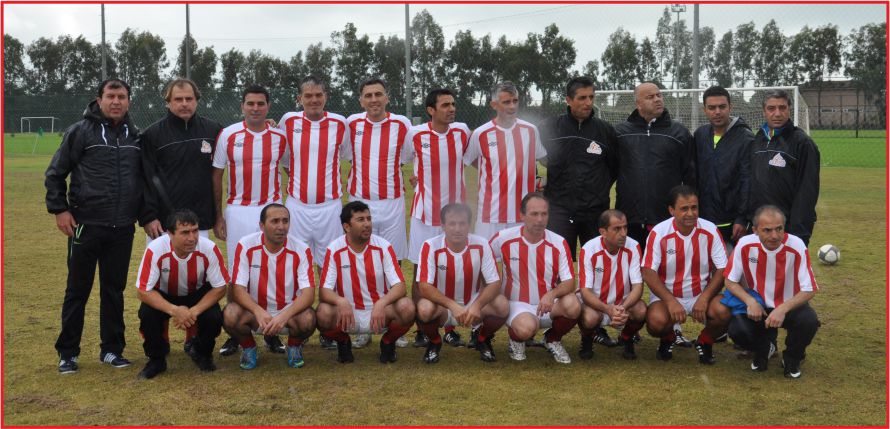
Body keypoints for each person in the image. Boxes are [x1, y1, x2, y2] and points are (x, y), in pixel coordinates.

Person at [46, 78, 147, 373]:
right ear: (99, 100)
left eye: (121, 96)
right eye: (110, 96)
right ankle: (67, 353)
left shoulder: (135, 136)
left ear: (129, 101)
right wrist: (60, 209)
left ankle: (112, 350)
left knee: (114, 290)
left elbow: (143, 180)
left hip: (122, 227)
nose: (116, 101)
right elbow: (55, 173)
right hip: (85, 225)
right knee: (77, 290)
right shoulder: (80, 132)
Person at [140, 77, 225, 355]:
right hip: (163, 224)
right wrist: (149, 216)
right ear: (168, 102)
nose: (184, 104)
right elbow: (145, 178)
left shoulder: (213, 130)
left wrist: (270, 125)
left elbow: (240, 142)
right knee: (160, 282)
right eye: (178, 99)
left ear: (197, 100)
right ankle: (160, 340)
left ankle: (193, 337)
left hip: (199, 222)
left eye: (189, 98)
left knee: (197, 282)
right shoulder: (152, 134)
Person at [539, 76, 620, 349]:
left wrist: (597, 191)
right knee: (557, 270)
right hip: (559, 210)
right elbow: (538, 156)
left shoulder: (605, 131)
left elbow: (614, 168)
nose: (588, 103)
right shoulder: (550, 127)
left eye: (591, 97)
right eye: (582, 98)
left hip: (594, 211)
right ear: (568, 100)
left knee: (596, 269)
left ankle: (593, 327)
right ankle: (552, 327)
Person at [615, 82, 697, 347]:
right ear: (638, 103)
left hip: (665, 222)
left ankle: (674, 328)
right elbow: (609, 170)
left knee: (668, 273)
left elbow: (689, 176)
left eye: (660, 95)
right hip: (630, 218)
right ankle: (627, 325)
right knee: (628, 275)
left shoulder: (679, 133)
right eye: (650, 96)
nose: (658, 99)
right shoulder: (621, 133)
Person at [211, 85, 289, 357]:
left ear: (268, 106)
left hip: (271, 210)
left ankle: (271, 332)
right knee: (237, 273)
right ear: (242, 106)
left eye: (260, 103)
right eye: (250, 103)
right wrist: (218, 215)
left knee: (272, 271)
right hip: (239, 211)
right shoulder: (228, 134)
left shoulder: (280, 136)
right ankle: (236, 332)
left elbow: (291, 167)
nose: (255, 108)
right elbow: (217, 174)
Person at [344, 78, 413, 349]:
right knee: (361, 261)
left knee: (392, 261)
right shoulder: (352, 124)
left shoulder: (402, 125)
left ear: (387, 97)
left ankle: (395, 324)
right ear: (361, 100)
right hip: (360, 202)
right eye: (368, 95)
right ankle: (363, 325)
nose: (374, 100)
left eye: (378, 94)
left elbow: (410, 156)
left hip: (392, 202)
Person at [404, 88, 472, 348]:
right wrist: (416, 179)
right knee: (420, 273)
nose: (451, 109)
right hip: (424, 216)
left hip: (456, 217)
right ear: (431, 110)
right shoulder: (415, 134)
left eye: (453, 104)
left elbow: (474, 159)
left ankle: (451, 327)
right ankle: (422, 329)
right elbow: (404, 160)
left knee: (454, 271)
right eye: (445, 105)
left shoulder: (462, 131)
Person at [723, 205, 820, 378]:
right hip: (759, 306)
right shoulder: (745, 244)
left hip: (788, 306)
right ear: (755, 230)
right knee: (737, 330)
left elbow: (810, 288)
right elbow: (730, 281)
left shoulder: (796, 245)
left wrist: (782, 309)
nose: (774, 235)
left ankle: (792, 357)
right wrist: (750, 301)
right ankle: (765, 347)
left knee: (809, 321)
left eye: (779, 229)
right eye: (767, 230)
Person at [316, 201, 416, 364]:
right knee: (323, 312)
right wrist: (341, 301)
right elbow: (324, 291)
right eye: (360, 220)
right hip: (348, 315)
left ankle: (388, 342)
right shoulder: (334, 249)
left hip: (380, 313)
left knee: (407, 307)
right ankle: (343, 342)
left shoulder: (383, 246)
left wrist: (381, 303)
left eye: (369, 219)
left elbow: (400, 286)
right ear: (347, 227)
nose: (367, 224)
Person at [134, 209, 228, 379]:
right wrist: (175, 310)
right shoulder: (155, 249)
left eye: (195, 231)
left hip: (197, 293)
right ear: (170, 234)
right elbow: (142, 290)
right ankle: (156, 360)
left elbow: (220, 287)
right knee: (147, 314)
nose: (192, 238)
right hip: (164, 294)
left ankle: (202, 352)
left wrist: (194, 311)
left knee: (213, 317)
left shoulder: (209, 248)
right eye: (185, 232)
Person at [222, 204, 317, 370]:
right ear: (262, 225)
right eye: (275, 221)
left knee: (308, 318)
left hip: (288, 312)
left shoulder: (301, 249)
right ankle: (249, 347)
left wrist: (284, 316)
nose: (281, 227)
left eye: (285, 221)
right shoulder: (246, 245)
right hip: (255, 312)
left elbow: (308, 294)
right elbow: (237, 289)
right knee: (230, 314)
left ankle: (294, 347)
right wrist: (257, 310)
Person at [641, 185, 727, 364]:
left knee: (724, 311)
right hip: (668, 295)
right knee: (656, 322)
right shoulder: (659, 232)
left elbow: (722, 269)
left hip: (701, 294)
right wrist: (670, 301)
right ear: (671, 210)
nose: (690, 213)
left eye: (694, 207)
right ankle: (669, 338)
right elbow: (648, 271)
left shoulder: (710, 230)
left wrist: (704, 298)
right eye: (684, 208)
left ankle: (705, 341)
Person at [490, 193, 578, 364]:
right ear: (522, 215)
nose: (539, 220)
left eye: (544, 214)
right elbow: (482, 260)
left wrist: (552, 294)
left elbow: (569, 282)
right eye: (534, 214)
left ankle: (552, 339)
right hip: (516, 304)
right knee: (526, 329)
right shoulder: (503, 238)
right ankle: (516, 340)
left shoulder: (559, 242)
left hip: (548, 304)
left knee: (573, 304)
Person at [415, 203, 508, 363]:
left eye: (462, 223)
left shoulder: (481, 244)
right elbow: (424, 286)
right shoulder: (430, 245)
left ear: (469, 225)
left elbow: (494, 282)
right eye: (452, 223)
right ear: (443, 225)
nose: (457, 229)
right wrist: (452, 305)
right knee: (424, 309)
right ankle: (435, 342)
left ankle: (482, 339)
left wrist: (477, 305)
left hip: (473, 304)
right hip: (443, 306)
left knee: (502, 304)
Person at [464, 82, 546, 240]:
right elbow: (466, 161)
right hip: (490, 215)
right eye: (506, 102)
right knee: (487, 255)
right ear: (494, 105)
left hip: (523, 214)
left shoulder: (530, 130)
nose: (512, 106)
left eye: (515, 101)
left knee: (519, 256)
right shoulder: (481, 133)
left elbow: (544, 159)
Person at [748, 89, 820, 246]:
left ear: (789, 110)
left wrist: (799, 233)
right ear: (764, 111)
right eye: (771, 108)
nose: (777, 113)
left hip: (786, 229)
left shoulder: (802, 143)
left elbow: (807, 192)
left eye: (782, 108)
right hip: (759, 227)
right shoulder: (757, 140)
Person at [576, 210, 646, 361]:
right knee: (589, 318)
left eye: (625, 227)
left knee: (640, 310)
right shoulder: (589, 249)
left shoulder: (633, 246)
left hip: (623, 303)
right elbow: (585, 291)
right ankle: (587, 338)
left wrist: (622, 308)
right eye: (617, 229)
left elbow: (638, 287)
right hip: (596, 305)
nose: (623, 233)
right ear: (603, 232)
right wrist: (608, 309)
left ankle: (626, 337)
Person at [693, 85, 753, 247]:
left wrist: (742, 218)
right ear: (705, 110)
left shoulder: (746, 138)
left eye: (722, 106)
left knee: (731, 262)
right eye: (712, 108)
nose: (717, 112)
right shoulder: (700, 135)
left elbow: (747, 180)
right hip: (703, 220)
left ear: (730, 107)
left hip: (732, 223)